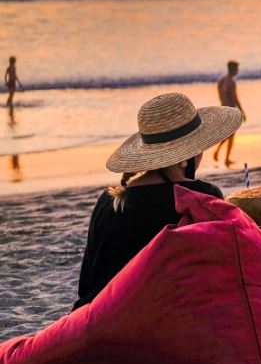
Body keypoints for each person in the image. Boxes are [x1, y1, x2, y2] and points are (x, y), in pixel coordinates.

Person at [73, 91, 242, 309]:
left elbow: (87, 284)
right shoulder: (199, 198)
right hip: (160, 321)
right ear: (186, 157)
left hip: (98, 317)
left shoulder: (108, 201)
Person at [213, 60, 245, 166]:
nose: (238, 70)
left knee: (228, 135)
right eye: (237, 68)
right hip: (231, 110)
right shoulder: (231, 82)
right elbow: (234, 98)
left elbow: (220, 96)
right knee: (231, 135)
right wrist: (241, 111)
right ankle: (225, 158)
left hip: (223, 109)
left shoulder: (221, 80)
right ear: (234, 69)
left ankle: (219, 152)